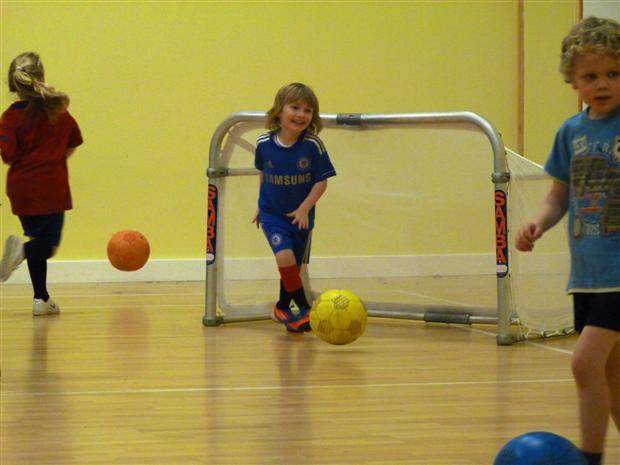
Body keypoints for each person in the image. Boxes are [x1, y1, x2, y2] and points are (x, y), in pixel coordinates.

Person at [515, 17, 620, 465]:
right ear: (572, 80)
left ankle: (590, 458)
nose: (602, 84)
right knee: (613, 376)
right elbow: (560, 195)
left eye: (614, 73)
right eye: (590, 75)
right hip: (588, 274)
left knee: (583, 363)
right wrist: (537, 223)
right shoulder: (570, 133)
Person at [0, 52, 83, 316]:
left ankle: (41, 299)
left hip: (21, 188)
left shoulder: (9, 118)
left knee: (38, 239)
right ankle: (22, 251)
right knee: (47, 246)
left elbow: (8, 155)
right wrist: (53, 158)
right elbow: (73, 142)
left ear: (14, 85)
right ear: (41, 78)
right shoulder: (57, 110)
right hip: (51, 187)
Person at [252, 83, 336, 332]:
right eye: (295, 107)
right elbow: (263, 174)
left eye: (308, 110)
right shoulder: (264, 143)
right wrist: (259, 204)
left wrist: (304, 209)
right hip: (273, 215)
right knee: (284, 256)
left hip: (300, 218)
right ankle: (305, 309)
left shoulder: (313, 146)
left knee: (292, 267)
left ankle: (282, 308)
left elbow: (322, 182)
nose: (301, 114)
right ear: (279, 111)